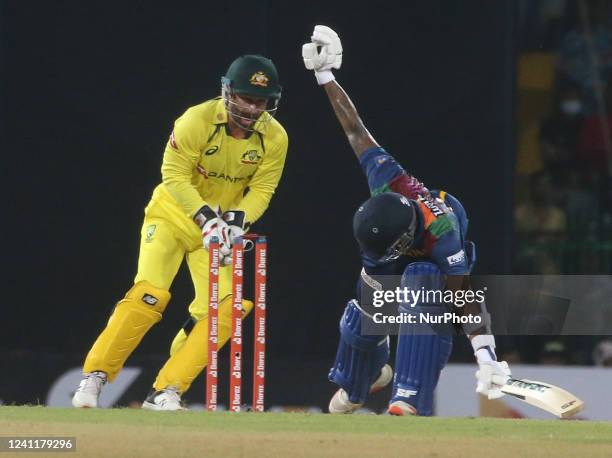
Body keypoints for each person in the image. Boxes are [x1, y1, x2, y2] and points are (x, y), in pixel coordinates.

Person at [302, 26, 512, 416]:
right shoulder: (386, 179)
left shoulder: (441, 233)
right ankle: (362, 378)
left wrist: (487, 356)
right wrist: (325, 76)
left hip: (432, 262)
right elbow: (354, 129)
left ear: (404, 239)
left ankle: (407, 397)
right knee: (358, 323)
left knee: (421, 281)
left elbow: (463, 294)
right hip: (395, 243)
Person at [72, 54, 288, 410]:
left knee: (228, 310)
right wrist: (206, 217)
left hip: (218, 231)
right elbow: (172, 175)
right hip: (172, 216)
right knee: (149, 295)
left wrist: (237, 222)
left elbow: (263, 190)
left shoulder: (275, 138)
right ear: (227, 92)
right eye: (245, 98)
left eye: (260, 101)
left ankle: (166, 390)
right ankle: (95, 376)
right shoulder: (195, 120)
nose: (251, 108)